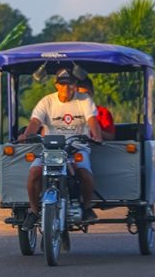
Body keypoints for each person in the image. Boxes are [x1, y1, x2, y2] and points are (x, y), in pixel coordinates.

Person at [18, 67, 102, 230]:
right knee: (34, 172)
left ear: (76, 84)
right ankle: (34, 211)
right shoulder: (46, 102)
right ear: (56, 85)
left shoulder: (84, 100)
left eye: (70, 84)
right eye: (62, 84)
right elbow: (35, 122)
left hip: (77, 147)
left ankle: (87, 208)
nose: (66, 88)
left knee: (84, 173)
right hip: (50, 148)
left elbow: (92, 120)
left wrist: (96, 136)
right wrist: (27, 135)